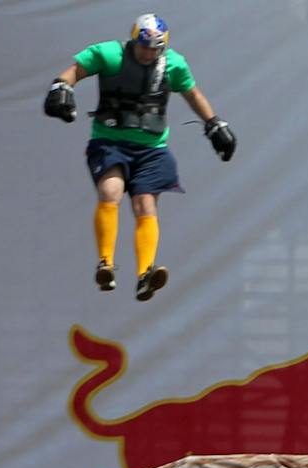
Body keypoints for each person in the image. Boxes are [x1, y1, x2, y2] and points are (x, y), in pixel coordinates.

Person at [44, 14, 236, 301]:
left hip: (152, 148)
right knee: (111, 190)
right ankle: (105, 264)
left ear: (163, 48)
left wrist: (214, 124)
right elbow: (74, 71)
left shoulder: (174, 64)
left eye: (154, 48)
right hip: (110, 141)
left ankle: (146, 274)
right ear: (134, 41)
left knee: (145, 204)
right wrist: (61, 87)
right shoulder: (109, 54)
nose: (148, 53)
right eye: (143, 46)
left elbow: (193, 95)